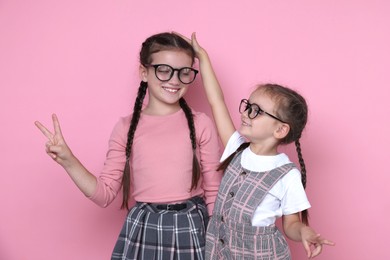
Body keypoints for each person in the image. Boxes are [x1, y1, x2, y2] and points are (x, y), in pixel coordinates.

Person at [35, 32, 223, 260]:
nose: (175, 80)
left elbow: (214, 191)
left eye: (184, 73)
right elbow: (104, 194)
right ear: (144, 72)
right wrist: (69, 161)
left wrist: (217, 242)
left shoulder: (201, 123)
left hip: (191, 226)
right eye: (164, 70)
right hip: (145, 227)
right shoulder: (125, 128)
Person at [177, 32, 335, 259]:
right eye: (248, 106)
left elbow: (290, 223)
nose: (246, 114)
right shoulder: (237, 149)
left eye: (256, 111)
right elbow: (216, 101)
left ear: (280, 130)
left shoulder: (287, 175)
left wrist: (304, 232)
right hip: (220, 251)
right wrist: (203, 58)